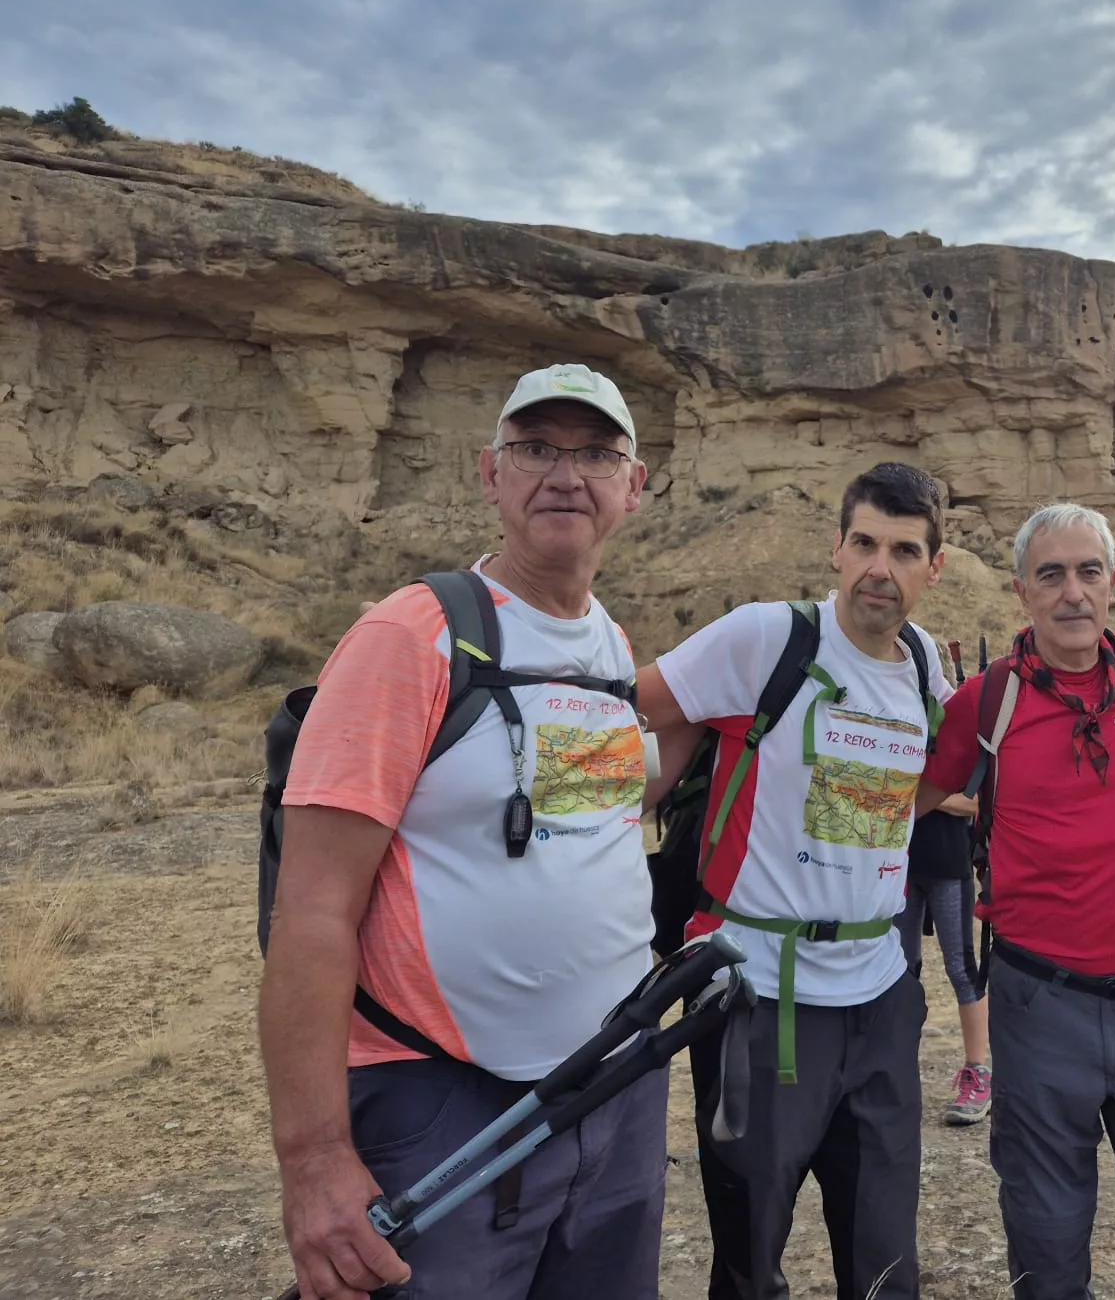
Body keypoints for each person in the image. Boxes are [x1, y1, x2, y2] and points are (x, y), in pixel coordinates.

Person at [260, 363, 664, 1300]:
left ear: (632, 489)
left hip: (612, 1090)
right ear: (490, 474)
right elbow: (313, 910)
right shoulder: (413, 636)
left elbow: (576, 815)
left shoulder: (608, 643)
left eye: (597, 452)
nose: (566, 474)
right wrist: (314, 1159)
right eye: (536, 449)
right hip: (448, 1103)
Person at [636, 462, 952, 1300]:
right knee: (751, 1257)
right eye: (865, 543)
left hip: (880, 995)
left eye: (905, 550)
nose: (881, 568)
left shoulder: (924, 667)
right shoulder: (765, 639)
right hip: (757, 996)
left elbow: (925, 789)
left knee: (885, 1263)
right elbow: (635, 712)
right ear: (838, 549)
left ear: (934, 567)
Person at [916, 502, 1115, 1300]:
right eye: (1051, 575)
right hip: (1037, 1005)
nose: (1072, 593)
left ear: (1113, 583)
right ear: (1022, 590)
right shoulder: (988, 702)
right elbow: (907, 800)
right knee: (1048, 1250)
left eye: (1088, 572)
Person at [896, 802, 992, 1124]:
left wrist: (918, 793)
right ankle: (895, 1070)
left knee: (961, 970)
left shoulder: (957, 755)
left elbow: (976, 803)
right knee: (900, 973)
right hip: (901, 866)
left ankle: (978, 1073)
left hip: (950, 867)